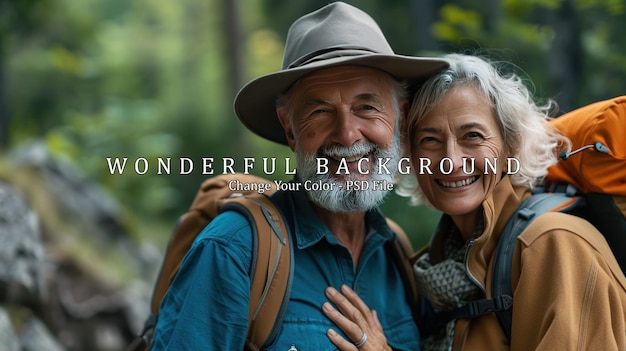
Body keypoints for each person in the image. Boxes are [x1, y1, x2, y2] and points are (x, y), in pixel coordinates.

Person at [149, 2, 448, 350]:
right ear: (290, 129)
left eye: (366, 107)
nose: (348, 135)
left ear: (400, 118)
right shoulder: (233, 250)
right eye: (320, 111)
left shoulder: (395, 254)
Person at [322, 53, 626, 350]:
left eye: (472, 136)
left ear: (511, 145)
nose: (451, 161)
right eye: (430, 140)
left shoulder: (553, 244)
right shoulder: (438, 265)